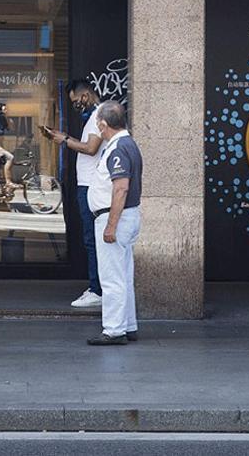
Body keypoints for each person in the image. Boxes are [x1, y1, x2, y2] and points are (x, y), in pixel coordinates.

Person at [86, 101, 143, 345]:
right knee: (124, 274)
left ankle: (114, 329)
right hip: (125, 217)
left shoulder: (118, 147)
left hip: (115, 217)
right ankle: (127, 324)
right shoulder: (128, 144)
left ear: (103, 124)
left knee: (112, 277)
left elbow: (120, 188)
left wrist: (111, 225)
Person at [47, 79, 106, 308]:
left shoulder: (100, 114)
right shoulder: (94, 116)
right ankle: (96, 287)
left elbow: (90, 148)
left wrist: (65, 140)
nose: (75, 105)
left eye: (75, 101)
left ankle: (97, 290)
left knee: (92, 240)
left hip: (92, 186)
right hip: (88, 184)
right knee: (91, 239)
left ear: (85, 96)